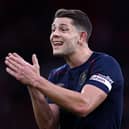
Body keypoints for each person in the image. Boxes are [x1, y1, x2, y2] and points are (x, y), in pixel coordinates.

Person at [5, 9, 124, 129]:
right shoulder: (57, 74)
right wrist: (33, 86)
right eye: (53, 29)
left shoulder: (105, 64)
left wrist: (36, 80)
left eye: (63, 29)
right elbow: (48, 124)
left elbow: (84, 105)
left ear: (81, 37)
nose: (54, 34)